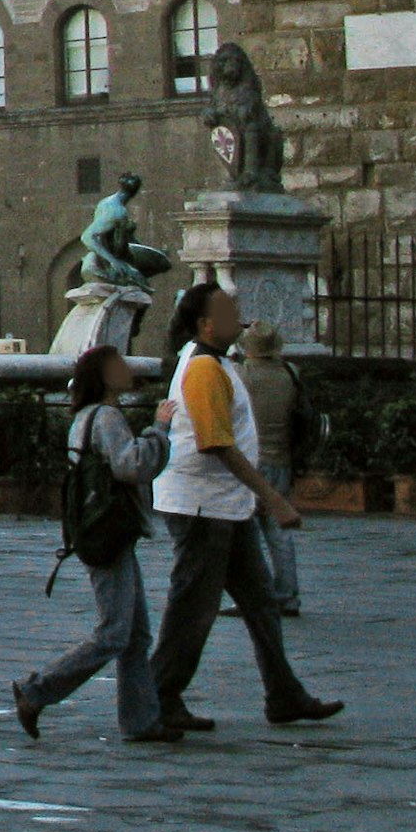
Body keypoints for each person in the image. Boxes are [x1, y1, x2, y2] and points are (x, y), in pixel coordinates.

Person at [146, 281, 341, 741]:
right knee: (192, 606)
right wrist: (272, 498)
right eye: (229, 309)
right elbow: (217, 443)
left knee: (259, 602)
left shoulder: (216, 364)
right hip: (201, 506)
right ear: (205, 323)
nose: (240, 315)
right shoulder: (202, 369)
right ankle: (158, 695)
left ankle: (284, 694)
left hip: (223, 506)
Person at [11, 342, 167, 742]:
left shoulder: (83, 416)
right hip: (110, 530)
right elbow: (131, 466)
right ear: (103, 375)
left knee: (135, 635)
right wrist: (159, 430)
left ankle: (141, 721)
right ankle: (36, 690)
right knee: (115, 633)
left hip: (97, 527)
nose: (127, 369)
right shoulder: (108, 416)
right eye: (118, 365)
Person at [235, 323, 308, 619]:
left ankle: (256, 597)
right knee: (279, 533)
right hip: (282, 459)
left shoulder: (242, 375)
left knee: (247, 533)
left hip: (251, 461)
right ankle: (288, 594)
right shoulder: (290, 373)